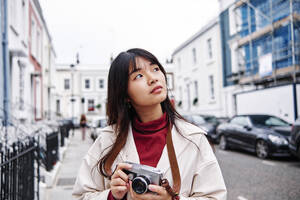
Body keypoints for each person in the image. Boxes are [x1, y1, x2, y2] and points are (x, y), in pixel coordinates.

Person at [72, 48, 227, 200]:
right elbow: (81, 196)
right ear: (124, 94)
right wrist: (112, 196)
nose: (153, 78)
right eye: (139, 75)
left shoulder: (193, 138)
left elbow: (215, 196)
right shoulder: (107, 140)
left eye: (155, 68)